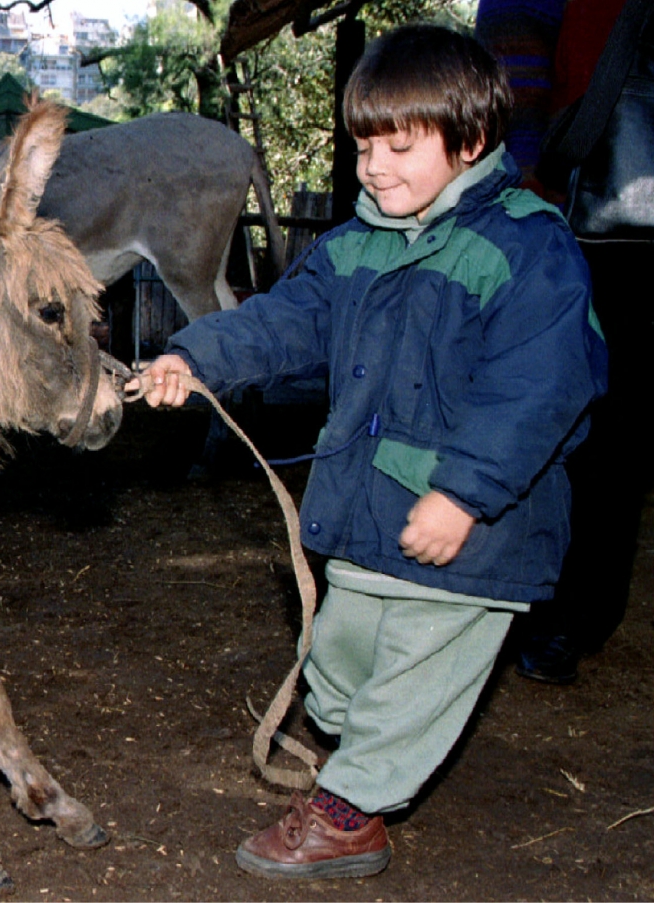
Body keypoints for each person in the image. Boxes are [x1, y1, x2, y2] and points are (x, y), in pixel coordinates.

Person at [134, 23, 607, 879]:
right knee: (341, 668)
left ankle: (353, 811)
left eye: (400, 145)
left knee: (414, 677)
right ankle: (362, 751)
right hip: (363, 508)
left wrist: (465, 493)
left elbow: (541, 385)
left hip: (473, 530)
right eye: (363, 147)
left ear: (469, 142)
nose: (376, 166)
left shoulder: (528, 250)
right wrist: (194, 357)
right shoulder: (352, 247)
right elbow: (279, 322)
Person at [479, 0, 649, 684]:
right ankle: (563, 611)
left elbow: (512, 75)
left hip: (596, 223)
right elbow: (514, 69)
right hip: (588, 218)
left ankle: (557, 612)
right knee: (600, 426)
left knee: (588, 425)